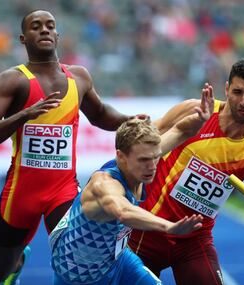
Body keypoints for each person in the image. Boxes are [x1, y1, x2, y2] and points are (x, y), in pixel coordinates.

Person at [0, 9, 136, 285]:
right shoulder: (11, 80)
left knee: (77, 265)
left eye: (50, 26)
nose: (45, 30)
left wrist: (129, 120)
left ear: (58, 35)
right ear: (24, 39)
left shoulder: (79, 78)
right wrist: (24, 115)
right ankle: (17, 262)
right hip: (20, 194)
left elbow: (99, 115)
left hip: (62, 191)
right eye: (36, 27)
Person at [128, 58, 244, 285]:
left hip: (193, 241)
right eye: (237, 92)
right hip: (147, 231)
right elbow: (141, 141)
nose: (243, 101)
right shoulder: (194, 111)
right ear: (226, 90)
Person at [49, 88, 216, 285]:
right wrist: (168, 226)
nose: (152, 166)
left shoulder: (141, 159)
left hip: (117, 261)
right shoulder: (104, 184)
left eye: (155, 157)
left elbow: (180, 130)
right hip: (80, 275)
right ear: (121, 156)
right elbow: (123, 211)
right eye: (145, 160)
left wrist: (202, 118)